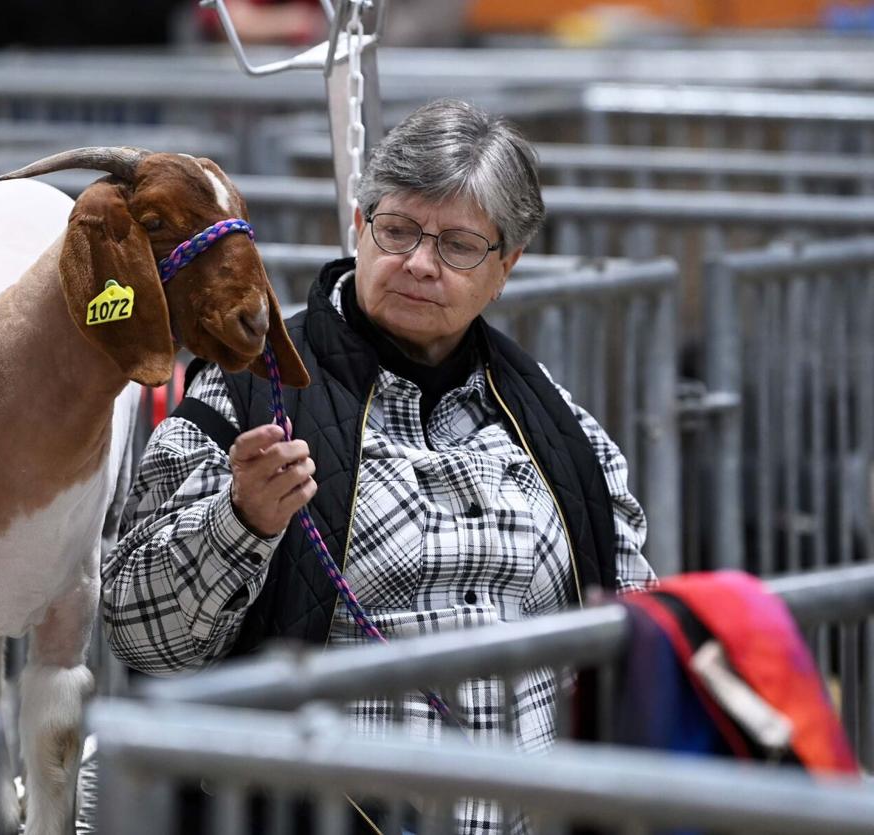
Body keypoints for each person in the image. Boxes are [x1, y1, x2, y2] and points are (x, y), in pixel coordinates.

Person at [102, 98, 656, 833]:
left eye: (459, 245)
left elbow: (631, 598)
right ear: (359, 227)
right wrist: (238, 521)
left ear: (506, 267)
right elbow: (138, 634)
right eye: (397, 230)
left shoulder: (549, 416)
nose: (420, 264)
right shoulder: (247, 392)